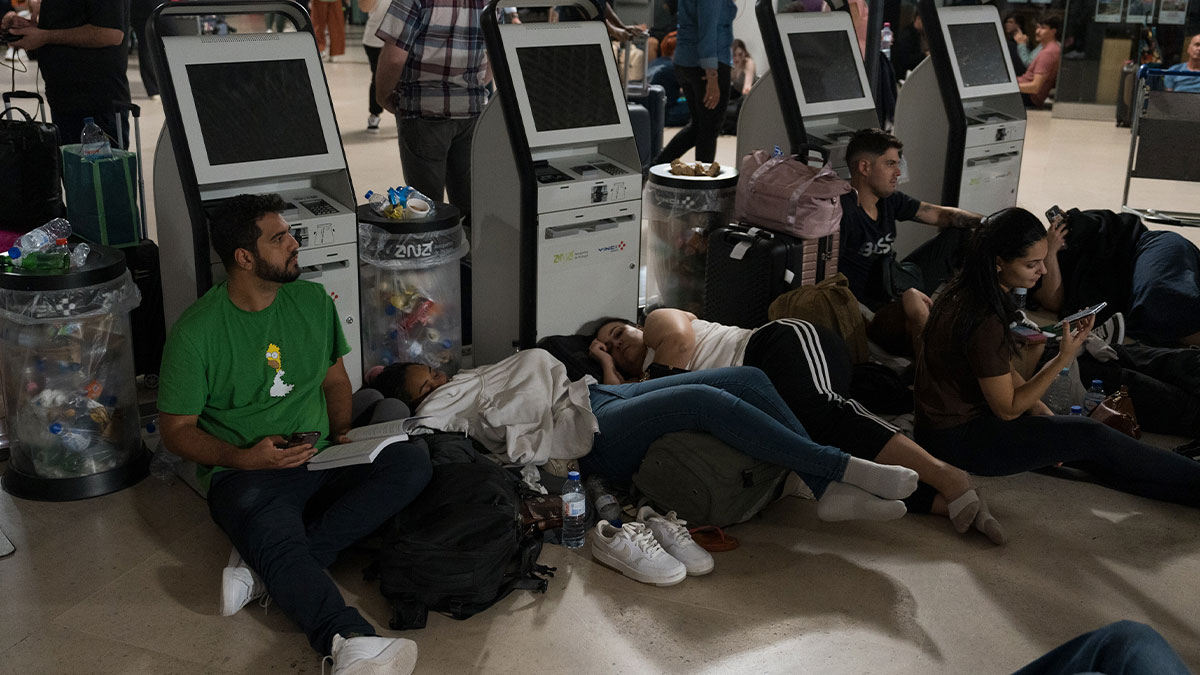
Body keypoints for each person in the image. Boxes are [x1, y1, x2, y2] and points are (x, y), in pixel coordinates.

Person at [157, 194, 431, 673]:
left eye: (290, 234)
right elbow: (175, 432)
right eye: (280, 238)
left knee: (411, 461)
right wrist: (242, 458)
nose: (294, 244)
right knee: (273, 532)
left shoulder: (311, 300)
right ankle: (350, 642)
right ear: (245, 257)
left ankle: (261, 568)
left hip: (321, 455)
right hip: (247, 474)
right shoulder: (195, 333)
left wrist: (346, 432)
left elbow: (335, 380)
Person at [586, 310, 1004, 543]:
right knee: (794, 454)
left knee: (820, 410)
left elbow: (679, 345)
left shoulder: (661, 322)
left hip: (775, 347)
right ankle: (939, 503)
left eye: (619, 332)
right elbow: (616, 404)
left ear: (637, 322)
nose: (618, 344)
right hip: (762, 405)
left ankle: (948, 476)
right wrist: (608, 367)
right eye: (608, 348)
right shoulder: (628, 389)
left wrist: (635, 377)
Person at [380, 350, 922, 524]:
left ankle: (819, 487)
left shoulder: (467, 375)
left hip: (591, 396)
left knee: (749, 379)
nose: (438, 380)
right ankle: (839, 466)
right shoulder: (434, 412)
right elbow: (423, 432)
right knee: (706, 402)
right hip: (589, 436)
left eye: (431, 372)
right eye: (425, 385)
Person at [914, 207, 1200, 509]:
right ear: (999, 262)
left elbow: (998, 370)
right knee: (1090, 435)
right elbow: (1009, 409)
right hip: (959, 442)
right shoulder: (984, 318)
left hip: (941, 432)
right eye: (1032, 264)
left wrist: (1043, 413)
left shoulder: (961, 291)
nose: (1044, 270)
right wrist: (1063, 357)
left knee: (1091, 450)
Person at [839, 128, 981, 357]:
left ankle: (977, 312)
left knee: (960, 233)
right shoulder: (843, 212)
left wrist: (991, 223)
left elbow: (940, 214)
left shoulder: (888, 200)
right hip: (875, 308)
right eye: (889, 164)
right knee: (916, 311)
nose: (897, 172)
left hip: (897, 283)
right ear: (864, 167)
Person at [375, 0, 489, 223]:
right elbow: (494, 55)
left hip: (423, 112)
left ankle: (431, 254)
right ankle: (466, 254)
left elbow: (395, 57)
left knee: (424, 206)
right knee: (469, 204)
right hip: (472, 113)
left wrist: (382, 96)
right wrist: (471, 90)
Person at [1, 0, 131, 148]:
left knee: (100, 170)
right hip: (63, 99)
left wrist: (45, 36)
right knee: (67, 167)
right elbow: (66, 21)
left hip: (97, 103)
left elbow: (111, 33)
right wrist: (30, 29)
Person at [652, 0, 736, 165]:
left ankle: (653, 168)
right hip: (708, 64)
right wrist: (712, 74)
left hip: (686, 61)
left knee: (698, 126)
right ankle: (702, 185)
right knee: (709, 129)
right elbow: (707, 30)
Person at [358, 0, 389, 134]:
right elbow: (364, 7)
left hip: (404, 37)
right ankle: (375, 114)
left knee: (404, 79)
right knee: (378, 77)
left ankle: (405, 117)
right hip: (376, 39)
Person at [1017, 15, 1060, 108]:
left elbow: (1035, 87)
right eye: (1037, 27)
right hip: (1025, 91)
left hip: (1028, 97)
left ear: (1053, 31)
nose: (1037, 31)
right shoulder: (1049, 48)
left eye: (1043, 28)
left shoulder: (1048, 53)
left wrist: (1009, 88)